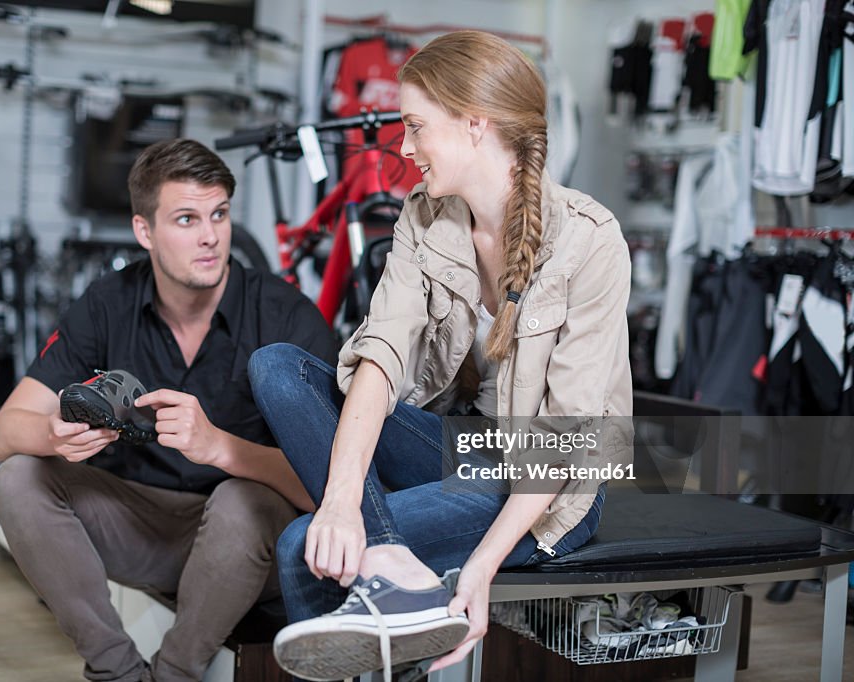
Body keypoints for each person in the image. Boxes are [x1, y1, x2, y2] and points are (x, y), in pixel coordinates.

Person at [248, 30, 633, 681]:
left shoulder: (590, 242)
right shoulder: (424, 217)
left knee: (297, 548)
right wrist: (343, 505)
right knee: (278, 367)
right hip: (459, 445)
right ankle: (393, 568)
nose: (403, 147)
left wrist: (480, 570)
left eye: (415, 126)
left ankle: (397, 613)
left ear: (475, 125)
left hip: (550, 483)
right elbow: (383, 355)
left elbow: (562, 443)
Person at [0, 138, 337, 682]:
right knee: (17, 478)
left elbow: (337, 485)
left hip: (250, 544)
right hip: (142, 526)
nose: (210, 236)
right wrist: (55, 436)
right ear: (144, 231)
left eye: (219, 214)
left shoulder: (286, 316)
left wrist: (220, 447)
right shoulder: (108, 303)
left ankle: (174, 674)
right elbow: (2, 432)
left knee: (241, 500)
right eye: (186, 218)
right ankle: (118, 673)